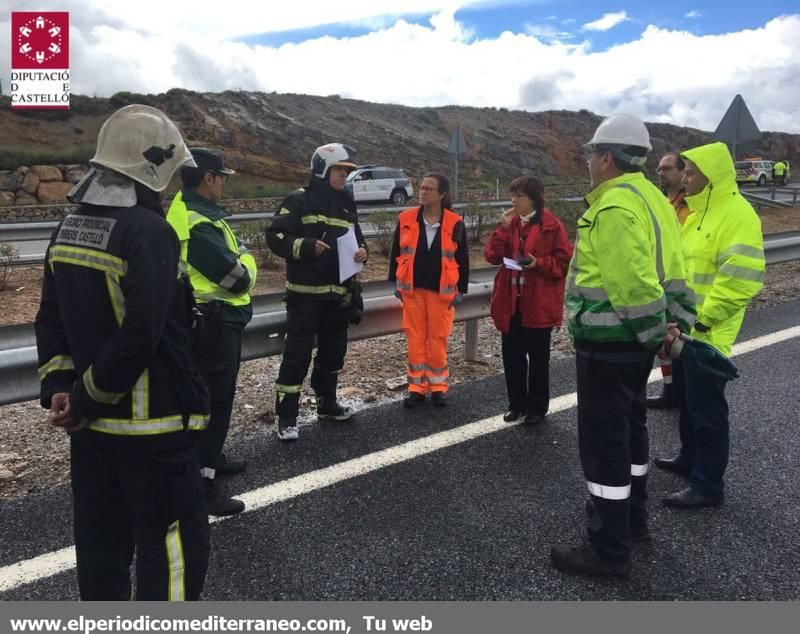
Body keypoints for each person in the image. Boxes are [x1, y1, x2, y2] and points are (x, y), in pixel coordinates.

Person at [35, 104, 211, 600]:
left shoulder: (66, 229)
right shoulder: (149, 231)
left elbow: (50, 321)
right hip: (152, 433)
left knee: (101, 549)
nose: (172, 186)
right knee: (174, 551)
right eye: (171, 173)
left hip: (90, 437)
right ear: (151, 167)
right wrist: (88, 399)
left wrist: (61, 389)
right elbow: (141, 335)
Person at [550, 113, 695, 578]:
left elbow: (631, 284)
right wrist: (673, 328)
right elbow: (676, 272)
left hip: (610, 343)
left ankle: (608, 548)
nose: (589, 162)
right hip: (635, 347)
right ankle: (633, 522)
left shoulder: (612, 207)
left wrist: (657, 334)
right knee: (631, 432)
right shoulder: (654, 200)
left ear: (607, 157)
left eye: (593, 154)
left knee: (604, 444)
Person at [656, 142, 765, 508]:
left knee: (708, 411)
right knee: (687, 401)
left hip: (708, 333)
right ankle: (689, 460)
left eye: (690, 172)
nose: (684, 178)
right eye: (683, 171)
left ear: (711, 175)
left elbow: (741, 279)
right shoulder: (697, 215)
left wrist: (702, 321)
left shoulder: (737, 214)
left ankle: (708, 484)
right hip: (685, 328)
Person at [167, 148, 256, 517]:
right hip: (213, 325)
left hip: (211, 322)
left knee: (212, 402)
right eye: (222, 177)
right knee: (213, 406)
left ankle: (212, 460)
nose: (223, 183)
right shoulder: (198, 222)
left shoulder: (193, 212)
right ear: (209, 178)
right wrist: (248, 259)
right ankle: (203, 487)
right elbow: (238, 279)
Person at [266, 143, 368, 441]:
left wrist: (364, 252)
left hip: (338, 297)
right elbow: (275, 236)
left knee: (333, 354)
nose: (343, 176)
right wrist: (306, 247)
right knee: (296, 357)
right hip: (305, 298)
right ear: (323, 169)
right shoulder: (298, 200)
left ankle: (327, 404)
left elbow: (357, 238)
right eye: (339, 170)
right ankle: (287, 418)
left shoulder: (347, 203)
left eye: (346, 172)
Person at [484, 176, 572, 425]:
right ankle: (516, 404)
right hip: (511, 303)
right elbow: (492, 255)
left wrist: (538, 264)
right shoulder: (509, 224)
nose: (513, 200)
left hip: (538, 304)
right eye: (513, 195)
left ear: (533, 198)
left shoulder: (552, 225)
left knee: (538, 358)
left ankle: (537, 408)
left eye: (519, 196)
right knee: (511, 356)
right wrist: (501, 229)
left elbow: (563, 262)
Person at [389, 172, 469, 408]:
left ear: (441, 194)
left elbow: (463, 258)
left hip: (440, 292)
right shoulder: (406, 218)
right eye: (421, 187)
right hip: (412, 291)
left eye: (429, 189)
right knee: (415, 339)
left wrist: (461, 289)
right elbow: (395, 254)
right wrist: (395, 284)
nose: (423, 192)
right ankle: (416, 388)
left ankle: (438, 387)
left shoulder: (455, 222)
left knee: (438, 339)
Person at [647, 151, 691, 410]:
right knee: (664, 341)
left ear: (682, 172)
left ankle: (684, 391)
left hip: (683, 281)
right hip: (663, 279)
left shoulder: (692, 205)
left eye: (666, 169)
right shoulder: (661, 202)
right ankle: (670, 390)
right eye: (659, 169)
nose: (660, 173)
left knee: (681, 338)